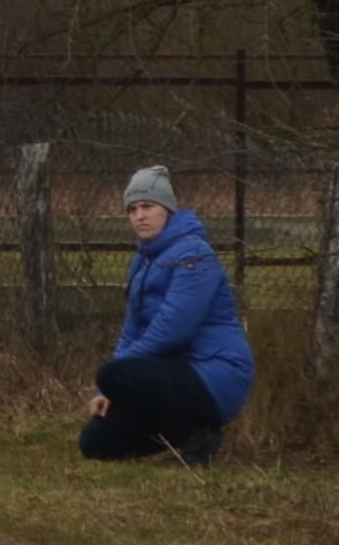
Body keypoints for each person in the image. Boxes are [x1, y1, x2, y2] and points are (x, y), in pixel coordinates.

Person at [80, 164, 253, 465]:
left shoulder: (194, 255)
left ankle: (202, 430)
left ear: (167, 209)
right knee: (95, 441)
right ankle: (186, 435)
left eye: (147, 206)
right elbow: (131, 329)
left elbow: (174, 330)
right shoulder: (142, 262)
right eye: (132, 209)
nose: (139, 216)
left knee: (111, 373)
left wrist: (115, 379)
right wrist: (105, 391)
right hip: (171, 375)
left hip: (214, 372)